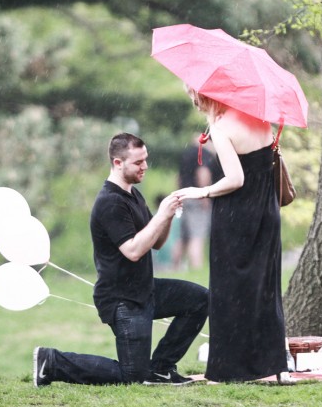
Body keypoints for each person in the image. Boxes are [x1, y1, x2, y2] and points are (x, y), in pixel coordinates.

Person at [34, 133, 209, 387]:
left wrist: (169, 215)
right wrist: (161, 214)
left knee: (200, 299)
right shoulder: (110, 202)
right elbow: (133, 250)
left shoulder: (134, 195)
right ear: (118, 163)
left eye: (145, 160)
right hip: (122, 300)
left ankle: (161, 368)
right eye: (138, 162)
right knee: (133, 377)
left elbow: (156, 242)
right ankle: (52, 362)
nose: (145, 166)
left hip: (145, 290)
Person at [173, 88, 290, 383]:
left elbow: (235, 179)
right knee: (264, 290)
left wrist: (203, 191)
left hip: (237, 217)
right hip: (267, 212)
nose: (194, 103)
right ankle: (271, 365)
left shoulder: (221, 127)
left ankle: (229, 368)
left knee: (229, 292)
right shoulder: (259, 119)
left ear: (209, 96)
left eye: (195, 97)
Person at [172, 136, 221, 270]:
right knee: (197, 235)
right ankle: (196, 268)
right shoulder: (203, 152)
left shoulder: (187, 153)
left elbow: (178, 177)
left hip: (184, 196)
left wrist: (179, 195)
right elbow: (202, 173)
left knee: (183, 237)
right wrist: (204, 195)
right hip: (197, 198)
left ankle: (175, 268)